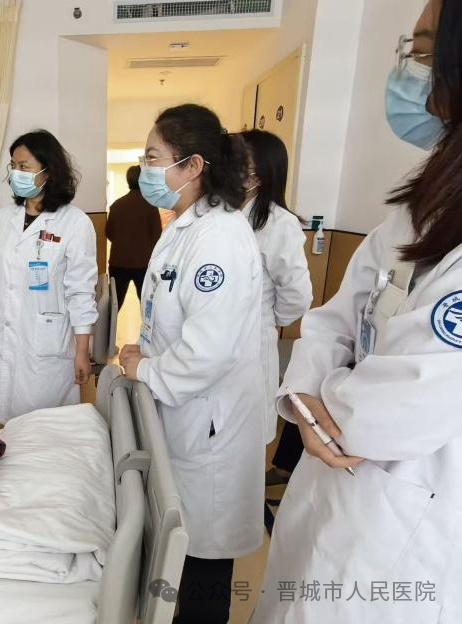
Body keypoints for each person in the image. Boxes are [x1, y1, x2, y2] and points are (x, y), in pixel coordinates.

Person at [253, 1, 462, 621]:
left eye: (423, 50)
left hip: (405, 518)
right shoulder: (413, 214)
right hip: (337, 484)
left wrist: (323, 400)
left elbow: (400, 407)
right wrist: (310, 394)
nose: (408, 69)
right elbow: (331, 321)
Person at [119, 104, 264, 624]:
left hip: (209, 424)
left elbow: (209, 351)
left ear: (193, 165)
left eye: (153, 157)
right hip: (188, 414)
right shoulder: (186, 227)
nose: (146, 168)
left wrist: (144, 370)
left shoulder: (219, 237)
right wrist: (144, 354)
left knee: (204, 562)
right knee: (186, 548)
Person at [0, 130, 98, 425]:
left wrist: (82, 350)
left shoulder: (74, 223)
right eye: (13, 166)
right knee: (7, 418)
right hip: (2, 331)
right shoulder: (4, 218)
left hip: (46, 339)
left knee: (44, 423)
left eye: (24, 166)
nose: (16, 173)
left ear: (48, 171)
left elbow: (81, 291)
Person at [240, 129, 313, 446]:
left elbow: (298, 296)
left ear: (256, 176)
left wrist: (266, 319)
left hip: (253, 341)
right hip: (220, 342)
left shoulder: (278, 222)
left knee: (248, 436)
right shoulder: (225, 216)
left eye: (235, 160)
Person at [106, 165, 162, 310]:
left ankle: (109, 326)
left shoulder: (116, 205)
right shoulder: (151, 206)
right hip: (144, 264)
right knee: (147, 305)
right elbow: (157, 235)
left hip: (118, 262)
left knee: (114, 306)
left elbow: (109, 233)